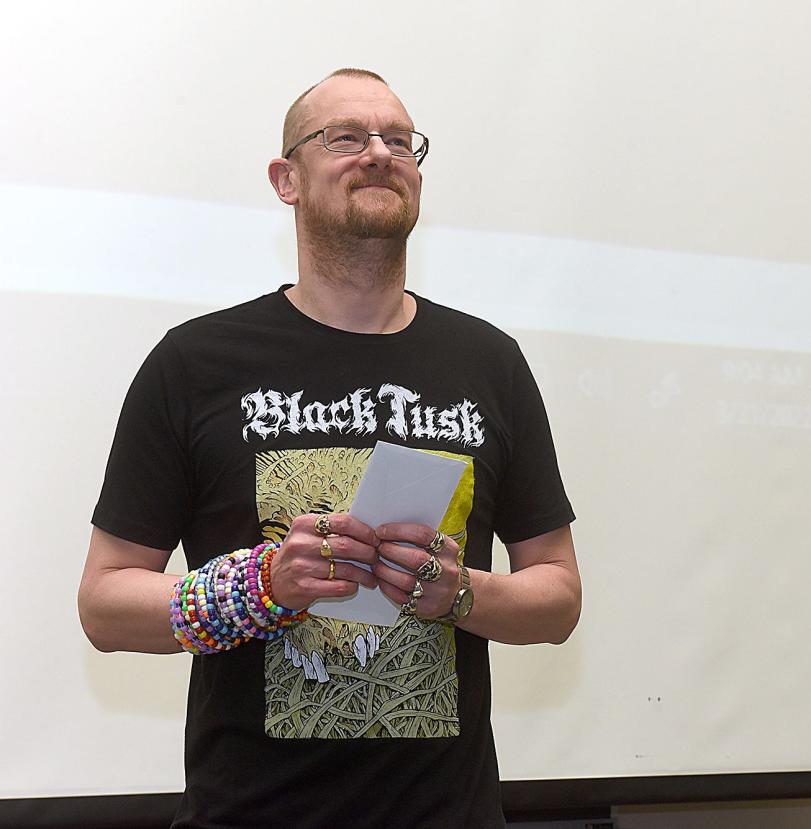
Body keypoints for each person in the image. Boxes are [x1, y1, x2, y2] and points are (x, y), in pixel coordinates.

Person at [77, 68, 581, 828]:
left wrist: (462, 592)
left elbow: (559, 595)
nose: (380, 153)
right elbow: (105, 604)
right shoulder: (194, 363)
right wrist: (263, 586)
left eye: (400, 140)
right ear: (287, 179)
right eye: (345, 137)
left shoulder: (489, 363)